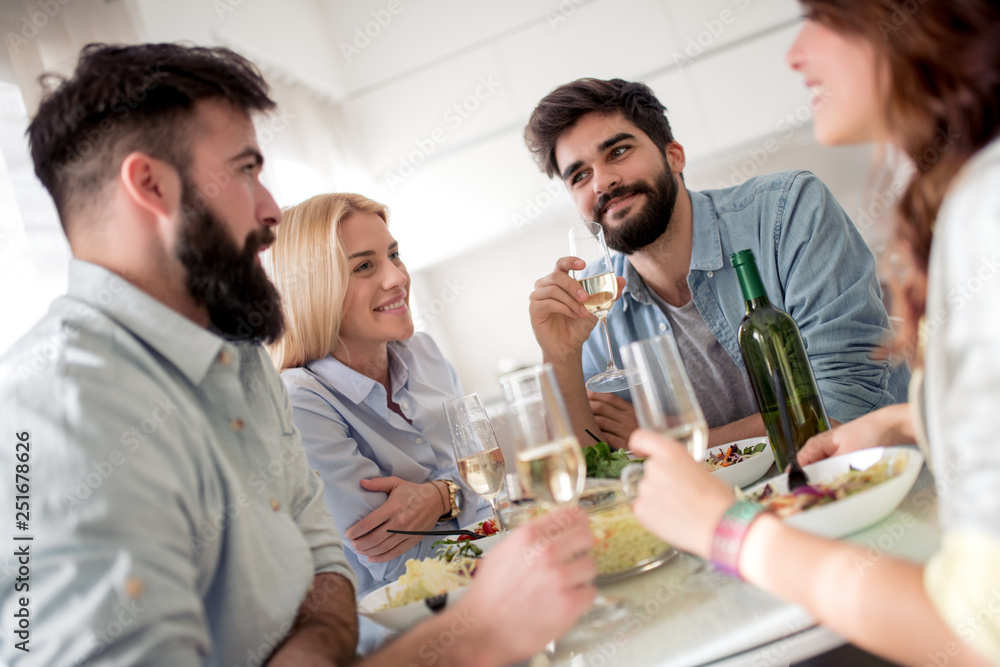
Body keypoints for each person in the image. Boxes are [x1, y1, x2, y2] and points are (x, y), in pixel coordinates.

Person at [0, 42, 596, 666]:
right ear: (150, 185)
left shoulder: (242, 362)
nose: (269, 209)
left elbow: (323, 572)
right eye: (245, 169)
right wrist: (477, 636)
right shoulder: (53, 415)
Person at [630, 1, 999, 664]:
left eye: (823, 16)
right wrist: (903, 420)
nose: (795, 53)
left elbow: (972, 634)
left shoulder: (984, 209)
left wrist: (728, 529)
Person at [524, 77, 909, 450]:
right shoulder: (590, 302)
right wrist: (560, 356)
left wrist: (674, 441)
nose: (602, 182)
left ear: (673, 155)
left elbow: (845, 413)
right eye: (580, 175)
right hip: (725, 514)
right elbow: (593, 475)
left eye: (619, 152)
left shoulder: (789, 212)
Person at [264, 193, 491, 596]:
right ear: (314, 290)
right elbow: (397, 561)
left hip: (501, 579)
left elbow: (492, 474)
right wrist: (483, 511)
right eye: (365, 266)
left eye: (394, 255)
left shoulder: (425, 353)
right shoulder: (299, 403)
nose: (398, 277)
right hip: (416, 625)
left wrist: (442, 497)